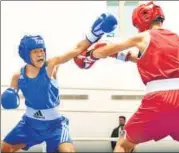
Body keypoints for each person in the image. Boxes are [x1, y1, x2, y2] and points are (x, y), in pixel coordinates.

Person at [1, 13, 118, 152]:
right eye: (35, 52)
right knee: (5, 148)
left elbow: (77, 49)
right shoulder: (17, 76)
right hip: (30, 124)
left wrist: (95, 33)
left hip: (55, 126)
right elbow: (11, 94)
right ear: (26, 54)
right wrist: (10, 95)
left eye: (42, 50)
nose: (40, 54)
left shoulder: (51, 65)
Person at [75, 1, 179, 152]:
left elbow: (106, 50)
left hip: (159, 101)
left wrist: (90, 55)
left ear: (142, 20)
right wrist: (126, 58)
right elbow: (158, 63)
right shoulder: (176, 38)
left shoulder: (144, 36)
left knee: (123, 145)